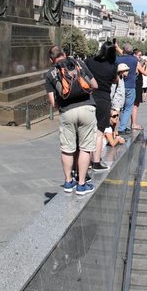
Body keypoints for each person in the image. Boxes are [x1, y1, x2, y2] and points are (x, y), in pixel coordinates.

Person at [44, 46, 99, 195]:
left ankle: (68, 182)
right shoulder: (79, 63)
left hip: (67, 111)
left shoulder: (50, 73)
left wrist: (63, 105)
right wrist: (86, 94)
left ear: (51, 60)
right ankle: (81, 184)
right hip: (87, 108)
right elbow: (95, 85)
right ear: (65, 54)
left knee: (67, 149)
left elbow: (52, 102)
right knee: (85, 147)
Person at [85, 40, 119, 171]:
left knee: (86, 132)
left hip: (89, 97)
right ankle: (96, 162)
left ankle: (84, 161)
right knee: (99, 133)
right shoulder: (112, 66)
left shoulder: (89, 61)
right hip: (104, 100)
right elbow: (116, 80)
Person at [116, 45, 140, 133]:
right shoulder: (134, 60)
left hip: (120, 85)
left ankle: (122, 125)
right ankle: (122, 127)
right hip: (131, 86)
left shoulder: (117, 59)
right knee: (128, 108)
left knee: (119, 107)